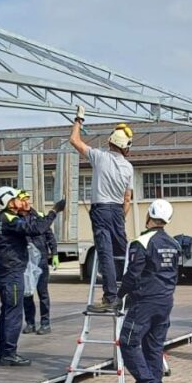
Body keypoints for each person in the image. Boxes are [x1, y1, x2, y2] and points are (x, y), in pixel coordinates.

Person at [0, 186, 63, 367]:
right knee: (14, 314)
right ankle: (9, 353)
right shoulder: (10, 220)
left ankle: (2, 353)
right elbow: (36, 228)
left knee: (6, 313)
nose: (21, 201)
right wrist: (54, 211)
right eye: (17, 198)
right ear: (9, 202)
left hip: (5, 272)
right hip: (13, 274)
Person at [70, 106, 134, 314]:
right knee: (121, 252)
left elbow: (74, 140)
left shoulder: (99, 157)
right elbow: (127, 199)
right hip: (117, 211)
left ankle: (110, 297)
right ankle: (128, 294)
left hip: (102, 210)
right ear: (126, 147)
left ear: (110, 142)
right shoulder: (128, 167)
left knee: (105, 253)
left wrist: (79, 119)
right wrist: (121, 218)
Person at [116, 199, 180, 383]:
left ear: (149, 216)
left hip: (145, 301)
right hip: (166, 300)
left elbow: (132, 274)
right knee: (153, 346)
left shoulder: (142, 242)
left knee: (128, 342)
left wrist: (119, 295)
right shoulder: (174, 244)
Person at [20, 191, 58, 335]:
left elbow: (50, 236)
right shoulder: (16, 219)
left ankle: (45, 323)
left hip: (41, 259)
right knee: (27, 294)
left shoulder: (39, 216)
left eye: (28, 199)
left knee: (43, 293)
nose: (27, 203)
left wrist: (54, 254)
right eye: (24, 200)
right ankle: (30, 323)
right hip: (25, 261)